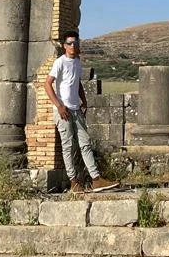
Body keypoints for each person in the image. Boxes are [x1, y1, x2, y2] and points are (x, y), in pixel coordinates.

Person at [45, 31, 117, 193]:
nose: (73, 45)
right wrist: (59, 106)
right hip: (63, 110)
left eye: (76, 43)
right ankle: (73, 183)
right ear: (64, 46)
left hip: (76, 109)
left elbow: (77, 84)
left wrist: (83, 101)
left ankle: (96, 180)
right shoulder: (60, 62)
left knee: (85, 144)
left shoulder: (77, 62)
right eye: (70, 43)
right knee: (68, 146)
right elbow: (47, 84)